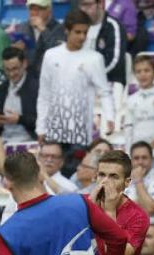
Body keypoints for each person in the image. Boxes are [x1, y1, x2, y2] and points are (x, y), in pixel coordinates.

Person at [37, 9, 114, 156]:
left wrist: (110, 117)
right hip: (54, 130)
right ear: (67, 31)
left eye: (85, 32)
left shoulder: (94, 58)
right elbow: (44, 95)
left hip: (80, 132)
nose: (82, 37)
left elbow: (104, 92)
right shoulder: (51, 56)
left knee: (78, 175)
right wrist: (41, 128)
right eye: (78, 32)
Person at [0, 47, 39, 145]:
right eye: (7, 70)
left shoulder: (37, 88)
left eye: (15, 69)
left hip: (28, 141)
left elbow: (43, 122)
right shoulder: (0, 90)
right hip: (3, 141)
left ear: (24, 64)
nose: (11, 74)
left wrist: (20, 119)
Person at [77, 0, 127, 84]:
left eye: (88, 5)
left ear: (100, 4)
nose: (84, 9)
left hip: (108, 82)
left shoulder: (113, 26)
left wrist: (91, 76)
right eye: (81, 5)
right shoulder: (76, 25)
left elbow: (114, 62)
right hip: (80, 82)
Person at [14, 0, 66, 76]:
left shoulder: (59, 28)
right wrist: (16, 50)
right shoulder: (23, 27)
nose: (34, 13)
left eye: (39, 9)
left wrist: (43, 30)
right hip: (27, 77)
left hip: (49, 75)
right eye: (32, 9)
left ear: (49, 9)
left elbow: (58, 53)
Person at [125, 141, 154, 223]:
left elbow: (151, 209)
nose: (140, 162)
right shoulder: (123, 181)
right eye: (136, 158)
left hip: (152, 229)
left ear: (152, 160)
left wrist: (138, 181)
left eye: (144, 157)